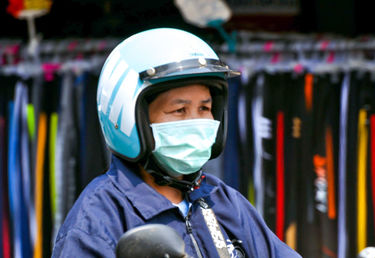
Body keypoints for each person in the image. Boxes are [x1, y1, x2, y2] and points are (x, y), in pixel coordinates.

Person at [52, 28, 301, 257]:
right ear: (130, 118)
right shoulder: (99, 217)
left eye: (205, 108)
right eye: (180, 110)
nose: (196, 121)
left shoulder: (222, 200)